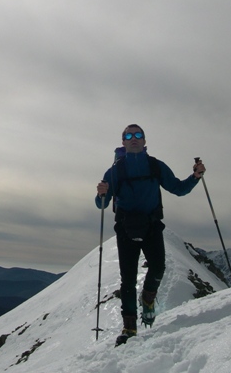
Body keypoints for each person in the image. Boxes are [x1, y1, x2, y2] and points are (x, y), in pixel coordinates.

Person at [95, 123, 206, 346]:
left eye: (138, 135)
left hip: (151, 225)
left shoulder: (155, 166)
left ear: (145, 141)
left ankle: (148, 297)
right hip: (126, 227)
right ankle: (129, 327)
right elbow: (102, 204)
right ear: (123, 142)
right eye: (129, 136)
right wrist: (101, 194)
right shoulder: (115, 170)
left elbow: (178, 188)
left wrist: (195, 176)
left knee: (158, 267)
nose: (134, 138)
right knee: (127, 278)